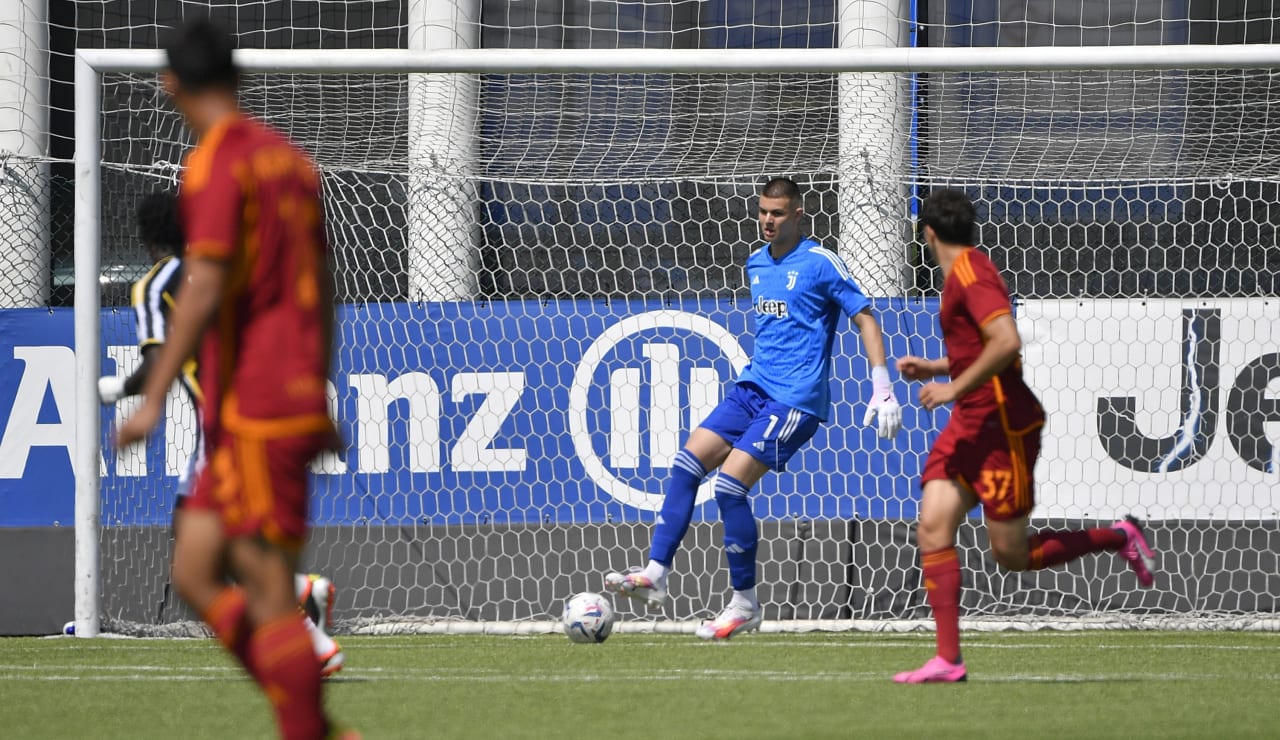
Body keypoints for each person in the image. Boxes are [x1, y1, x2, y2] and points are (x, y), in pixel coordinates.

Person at [114, 19, 354, 739]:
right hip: (275, 394)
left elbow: (207, 280)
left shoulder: (217, 163)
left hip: (255, 402)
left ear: (171, 84)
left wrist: (153, 397)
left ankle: (308, 729)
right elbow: (321, 284)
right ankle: (310, 720)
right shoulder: (292, 163)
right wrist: (315, 383)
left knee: (269, 588)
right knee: (193, 567)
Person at [605, 177, 903, 640]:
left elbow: (864, 316)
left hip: (796, 399)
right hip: (753, 387)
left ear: (799, 214)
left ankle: (744, 604)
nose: (767, 220)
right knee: (686, 463)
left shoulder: (821, 263)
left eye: (778, 213)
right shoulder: (756, 263)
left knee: (728, 488)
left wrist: (881, 385)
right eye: (763, 211)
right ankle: (656, 574)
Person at [892, 189, 1156, 684]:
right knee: (932, 527)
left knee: (1011, 556)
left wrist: (951, 387)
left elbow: (1007, 341)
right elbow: (981, 348)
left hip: (1003, 428)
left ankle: (1120, 535)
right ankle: (948, 659)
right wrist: (935, 366)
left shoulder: (970, 272)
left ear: (927, 233)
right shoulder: (961, 273)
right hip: (968, 426)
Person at [99, 191, 344, 677]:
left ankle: (307, 640)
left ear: (148, 239)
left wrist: (118, 389)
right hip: (271, 408)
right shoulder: (230, 272)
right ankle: (299, 594)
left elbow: (154, 365)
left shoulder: (156, 285)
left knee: (198, 554)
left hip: (229, 422)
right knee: (217, 536)